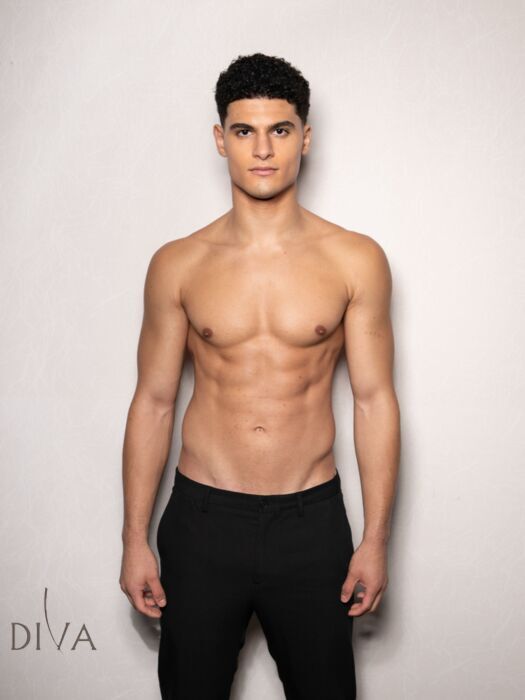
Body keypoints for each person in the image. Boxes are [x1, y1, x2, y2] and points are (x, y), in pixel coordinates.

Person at [119, 52, 400, 700]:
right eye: (244, 131)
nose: (263, 149)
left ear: (306, 137)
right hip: (202, 520)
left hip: (310, 523)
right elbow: (153, 402)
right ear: (221, 139)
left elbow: (374, 401)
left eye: (280, 129)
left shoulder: (355, 259)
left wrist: (376, 539)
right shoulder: (178, 264)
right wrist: (133, 538)